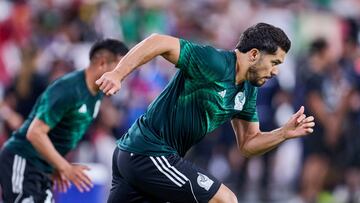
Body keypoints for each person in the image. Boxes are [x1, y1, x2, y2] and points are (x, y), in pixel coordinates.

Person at [97, 23, 315, 203]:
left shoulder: (248, 90)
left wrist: (283, 133)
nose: (276, 71)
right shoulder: (215, 62)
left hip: (136, 156)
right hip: (149, 153)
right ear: (254, 54)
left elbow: (248, 144)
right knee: (225, 200)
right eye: (274, 62)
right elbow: (158, 41)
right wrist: (117, 74)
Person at [0, 39, 129, 203]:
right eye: (121, 66)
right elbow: (35, 133)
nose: (125, 73)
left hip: (42, 167)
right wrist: (64, 166)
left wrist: (55, 165)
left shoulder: (97, 92)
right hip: (23, 159)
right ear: (103, 63)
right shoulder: (69, 89)